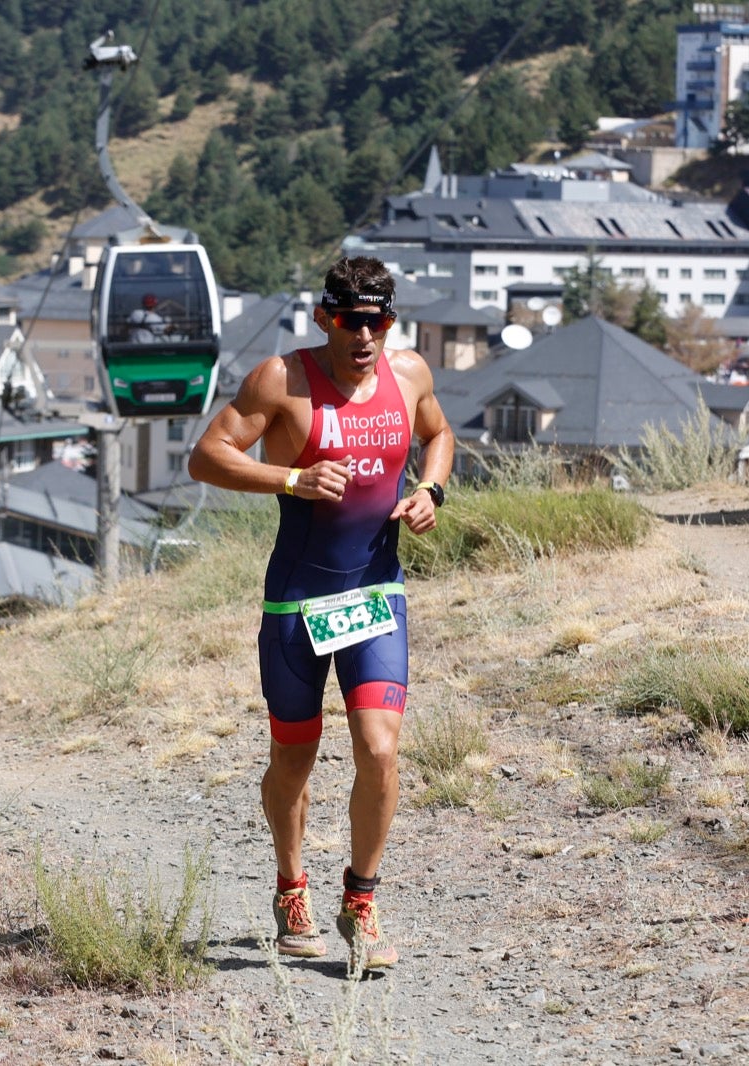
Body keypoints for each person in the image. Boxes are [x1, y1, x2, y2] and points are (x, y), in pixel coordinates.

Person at [187, 255, 453, 970]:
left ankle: (361, 901)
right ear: (324, 317)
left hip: (375, 594)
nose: (364, 334)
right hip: (297, 601)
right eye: (349, 320)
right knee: (294, 759)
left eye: (377, 321)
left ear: (389, 322)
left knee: (379, 749)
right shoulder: (282, 381)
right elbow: (206, 457)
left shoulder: (411, 374)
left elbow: (439, 434)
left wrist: (431, 490)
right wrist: (292, 477)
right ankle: (290, 884)